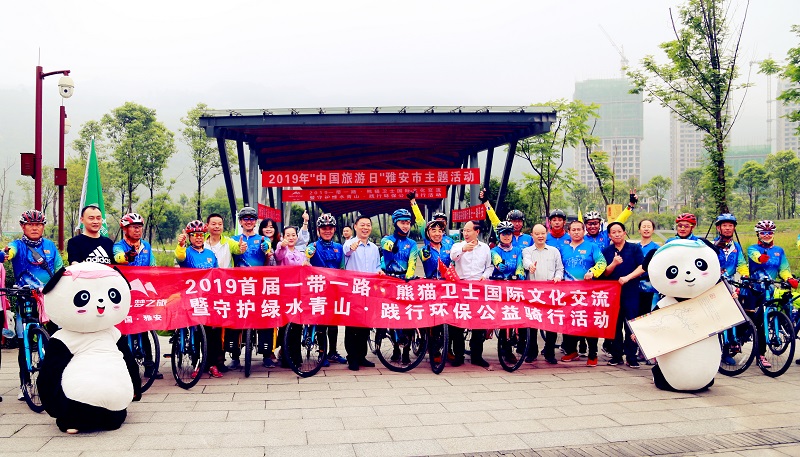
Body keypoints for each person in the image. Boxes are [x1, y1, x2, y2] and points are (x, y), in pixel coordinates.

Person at [0, 210, 64, 401]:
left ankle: (57, 380)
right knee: (24, 342)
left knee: (56, 338)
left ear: (43, 227)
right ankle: (25, 383)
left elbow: (60, 269)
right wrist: (5, 254)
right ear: (23, 227)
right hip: (25, 298)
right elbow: (9, 252)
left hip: (50, 298)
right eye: (30, 224)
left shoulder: (50, 246)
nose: (34, 227)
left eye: (38, 224)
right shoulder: (17, 245)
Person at [112, 212, 163, 380]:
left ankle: (149, 366)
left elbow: (153, 265)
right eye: (134, 227)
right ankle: (123, 366)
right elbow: (118, 257)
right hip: (124, 293)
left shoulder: (146, 246)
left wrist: (158, 276)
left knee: (144, 328)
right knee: (124, 331)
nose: (137, 230)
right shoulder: (119, 245)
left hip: (142, 293)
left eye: (140, 227)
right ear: (125, 229)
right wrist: (127, 257)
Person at [174, 220, 223, 377]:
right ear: (189, 237)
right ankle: (197, 365)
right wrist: (180, 245)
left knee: (213, 333)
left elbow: (216, 274)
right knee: (198, 333)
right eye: (194, 235)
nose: (198, 237)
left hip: (209, 299)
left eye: (201, 235)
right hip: (192, 298)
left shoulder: (210, 254)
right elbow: (179, 257)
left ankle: (212, 364)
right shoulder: (186, 252)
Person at [228, 207, 274, 369]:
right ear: (240, 222)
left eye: (252, 219)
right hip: (239, 286)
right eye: (245, 219)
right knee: (236, 319)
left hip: (259, 285)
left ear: (256, 222)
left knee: (265, 317)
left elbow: (269, 257)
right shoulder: (233, 240)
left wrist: (268, 252)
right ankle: (234, 356)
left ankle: (267, 355)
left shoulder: (263, 239)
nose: (249, 221)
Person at [559, 220, 607, 366]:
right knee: (569, 321)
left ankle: (592, 354)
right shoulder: (563, 249)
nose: (576, 232)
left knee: (588, 322)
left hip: (587, 292)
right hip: (568, 293)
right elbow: (558, 267)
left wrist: (593, 272)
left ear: (584, 231)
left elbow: (602, 263)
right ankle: (571, 351)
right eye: (573, 230)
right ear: (568, 232)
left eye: (579, 229)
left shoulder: (592, 247)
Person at [305, 213, 347, 366]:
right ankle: (322, 353)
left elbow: (342, 268)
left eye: (330, 228)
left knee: (334, 324)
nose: (327, 231)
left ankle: (333, 352)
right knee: (322, 323)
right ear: (318, 230)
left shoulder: (339, 247)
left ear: (334, 229)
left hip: (334, 290)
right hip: (318, 290)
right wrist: (307, 255)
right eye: (324, 228)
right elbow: (306, 258)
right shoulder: (313, 246)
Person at [449, 220, 493, 367]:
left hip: (478, 289)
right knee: (458, 323)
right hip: (461, 288)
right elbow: (453, 257)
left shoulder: (485, 248)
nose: (465, 233)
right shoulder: (458, 246)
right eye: (464, 230)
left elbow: (489, 267)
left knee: (478, 323)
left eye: (469, 230)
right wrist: (463, 249)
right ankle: (459, 355)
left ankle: (476, 356)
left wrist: (485, 276)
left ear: (477, 232)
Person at [602, 222, 645, 368]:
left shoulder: (634, 248)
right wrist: (614, 263)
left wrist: (628, 277)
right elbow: (604, 273)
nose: (617, 234)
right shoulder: (606, 251)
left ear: (624, 233)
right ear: (609, 235)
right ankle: (616, 355)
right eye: (613, 232)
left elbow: (642, 267)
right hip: (613, 294)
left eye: (619, 231)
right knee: (615, 325)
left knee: (631, 324)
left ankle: (631, 356)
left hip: (631, 291)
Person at [380, 208, 421, 364]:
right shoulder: (386, 239)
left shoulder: (412, 244)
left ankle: (406, 352)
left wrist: (408, 278)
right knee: (393, 315)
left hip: (405, 281)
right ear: (395, 223)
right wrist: (391, 246)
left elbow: (412, 262)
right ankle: (396, 349)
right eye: (402, 222)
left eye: (408, 223)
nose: (405, 226)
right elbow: (386, 245)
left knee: (407, 316)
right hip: (390, 280)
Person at [521, 223, 564, 364]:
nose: (540, 236)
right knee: (532, 323)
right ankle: (532, 352)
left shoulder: (554, 251)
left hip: (550, 292)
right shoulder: (527, 251)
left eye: (543, 233)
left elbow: (560, 268)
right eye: (537, 234)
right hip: (533, 293)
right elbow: (526, 262)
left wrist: (558, 277)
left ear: (546, 234)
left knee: (551, 322)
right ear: (532, 235)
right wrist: (530, 266)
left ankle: (549, 352)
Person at [342, 216, 381, 371]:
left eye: (368, 225)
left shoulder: (374, 248)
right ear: (355, 227)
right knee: (352, 325)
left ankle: (362, 356)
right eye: (362, 225)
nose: (365, 228)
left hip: (369, 291)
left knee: (366, 324)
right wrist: (353, 246)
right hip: (353, 290)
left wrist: (379, 271)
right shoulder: (349, 243)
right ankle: (352, 357)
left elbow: (377, 265)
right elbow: (347, 251)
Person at [713, 213, 748, 280]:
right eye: (724, 225)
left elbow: (741, 264)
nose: (727, 228)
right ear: (718, 228)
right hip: (714, 281)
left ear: (734, 228)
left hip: (730, 282)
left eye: (730, 225)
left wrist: (745, 276)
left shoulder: (736, 246)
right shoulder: (711, 245)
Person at [637, 219, 660, 317]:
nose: (646, 229)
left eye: (649, 227)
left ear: (653, 230)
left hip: (650, 288)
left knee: (647, 315)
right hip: (634, 287)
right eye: (644, 227)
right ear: (639, 230)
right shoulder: (634, 247)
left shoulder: (657, 248)